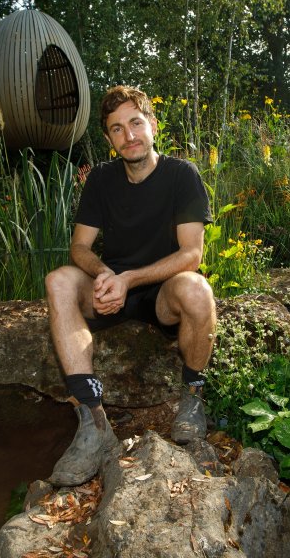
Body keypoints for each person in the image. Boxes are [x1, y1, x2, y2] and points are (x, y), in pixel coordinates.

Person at [44, 85, 217, 487]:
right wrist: (105, 274)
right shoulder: (102, 180)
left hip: (161, 291)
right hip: (112, 287)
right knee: (59, 282)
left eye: (136, 124)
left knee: (196, 288)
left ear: (152, 125)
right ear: (109, 139)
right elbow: (79, 247)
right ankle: (94, 423)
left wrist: (130, 279)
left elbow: (192, 254)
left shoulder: (182, 175)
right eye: (117, 129)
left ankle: (192, 396)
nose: (129, 136)